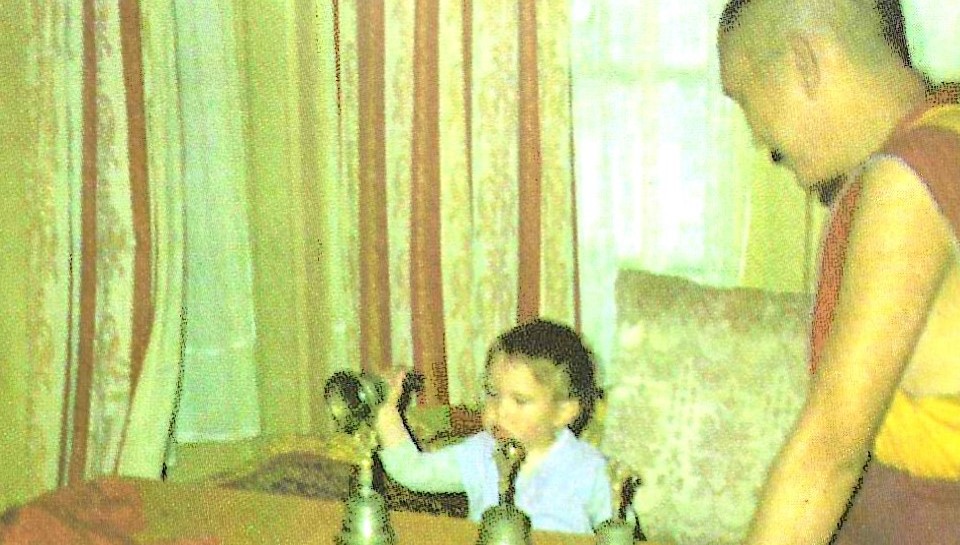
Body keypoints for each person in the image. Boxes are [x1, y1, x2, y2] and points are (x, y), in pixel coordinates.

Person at [717, 0, 960, 543]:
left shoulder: (912, 176)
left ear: (806, 62)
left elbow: (828, 453)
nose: (758, 141)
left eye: (744, 96)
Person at [375, 318, 613, 535]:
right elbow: (414, 471)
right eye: (492, 394)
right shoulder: (480, 452)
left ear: (563, 412)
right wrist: (387, 412)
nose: (499, 411)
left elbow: (620, 532)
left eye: (519, 401)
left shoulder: (589, 469)